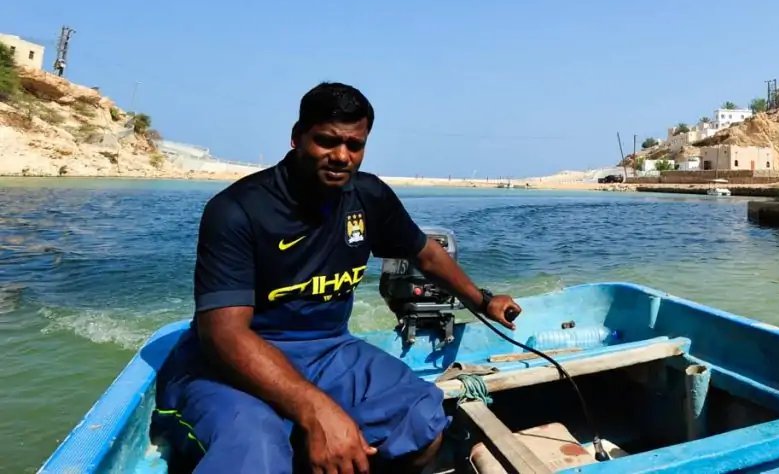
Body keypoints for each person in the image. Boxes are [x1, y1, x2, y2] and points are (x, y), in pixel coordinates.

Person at [153, 82, 521, 474]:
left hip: (329, 350)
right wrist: (315, 409)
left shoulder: (368, 196)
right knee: (255, 452)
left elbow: (426, 254)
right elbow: (223, 334)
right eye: (326, 141)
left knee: (421, 420)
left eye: (354, 145)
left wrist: (482, 300)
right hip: (233, 362)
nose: (342, 156)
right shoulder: (237, 210)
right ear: (297, 138)